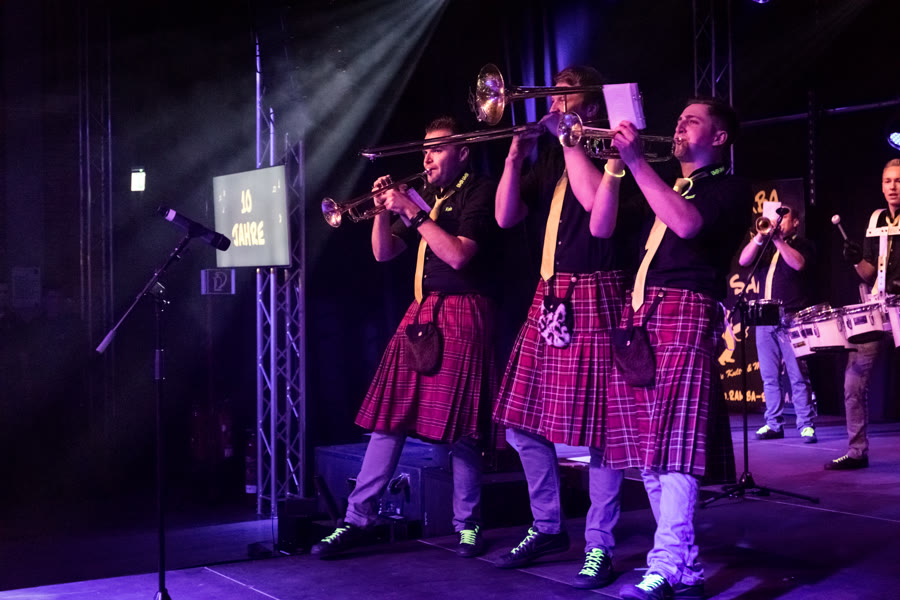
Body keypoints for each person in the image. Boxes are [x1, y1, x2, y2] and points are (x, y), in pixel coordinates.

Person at [311, 116, 500, 558]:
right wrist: (381, 211)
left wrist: (411, 211)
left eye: (437, 149)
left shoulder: (479, 190)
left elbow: (458, 256)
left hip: (464, 309)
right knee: (388, 418)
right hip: (421, 312)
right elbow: (383, 253)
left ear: (463, 153)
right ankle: (357, 518)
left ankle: (468, 524)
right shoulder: (425, 196)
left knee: (465, 428)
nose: (427, 158)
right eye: (425, 150)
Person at [596, 97, 748, 600]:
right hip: (641, 312)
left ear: (719, 138)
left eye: (692, 121)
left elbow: (686, 225)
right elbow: (601, 227)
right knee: (649, 453)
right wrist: (616, 166)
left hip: (684, 310)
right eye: (678, 118)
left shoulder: (728, 186)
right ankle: (686, 567)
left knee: (676, 451)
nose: (678, 126)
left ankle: (664, 564)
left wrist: (638, 162)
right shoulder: (661, 185)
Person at [491, 65, 630, 590]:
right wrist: (514, 157)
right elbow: (506, 217)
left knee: (603, 431)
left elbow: (595, 205)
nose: (552, 102)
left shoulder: (612, 150)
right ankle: (549, 526)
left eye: (564, 95)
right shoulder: (550, 157)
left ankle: (599, 543)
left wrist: (569, 138)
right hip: (549, 293)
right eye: (552, 94)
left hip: (596, 292)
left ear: (590, 107)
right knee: (518, 421)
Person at [829, 158, 900, 470]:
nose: (893, 187)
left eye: (898, 180)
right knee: (853, 382)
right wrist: (857, 260)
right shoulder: (876, 220)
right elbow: (869, 274)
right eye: (888, 181)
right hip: (877, 309)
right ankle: (857, 451)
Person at [737, 205, 817, 443]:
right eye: (775, 218)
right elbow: (743, 260)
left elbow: (798, 264)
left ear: (795, 223)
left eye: (784, 218)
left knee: (797, 375)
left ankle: (806, 424)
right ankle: (773, 423)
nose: (777, 222)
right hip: (765, 318)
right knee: (769, 376)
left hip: (792, 317)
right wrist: (761, 237)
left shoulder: (803, 245)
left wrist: (779, 241)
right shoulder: (765, 247)